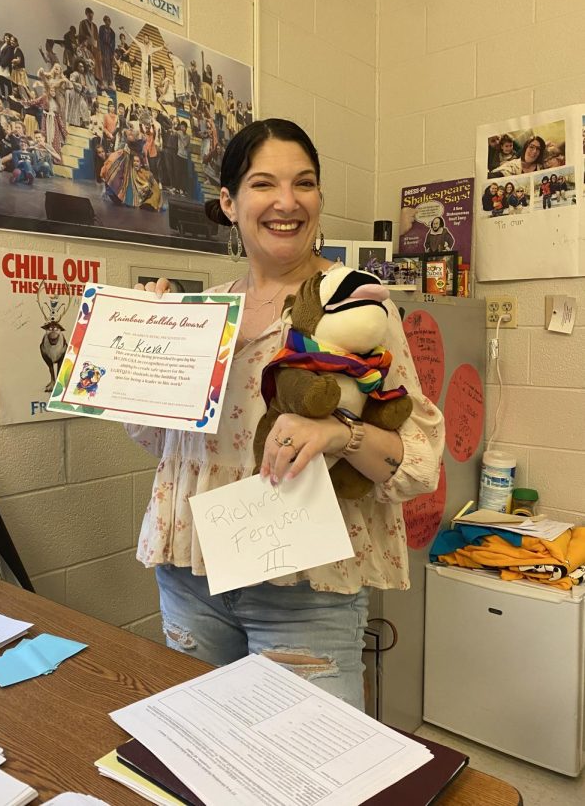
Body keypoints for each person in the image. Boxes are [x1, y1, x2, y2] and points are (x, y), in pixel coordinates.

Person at [124, 119, 444, 710]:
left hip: (306, 589)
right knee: (203, 751)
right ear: (229, 201)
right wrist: (146, 341)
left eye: (304, 183)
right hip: (192, 572)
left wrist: (338, 433)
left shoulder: (357, 301)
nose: (286, 201)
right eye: (264, 183)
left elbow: (421, 459)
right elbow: (159, 441)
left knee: (313, 779)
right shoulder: (206, 311)